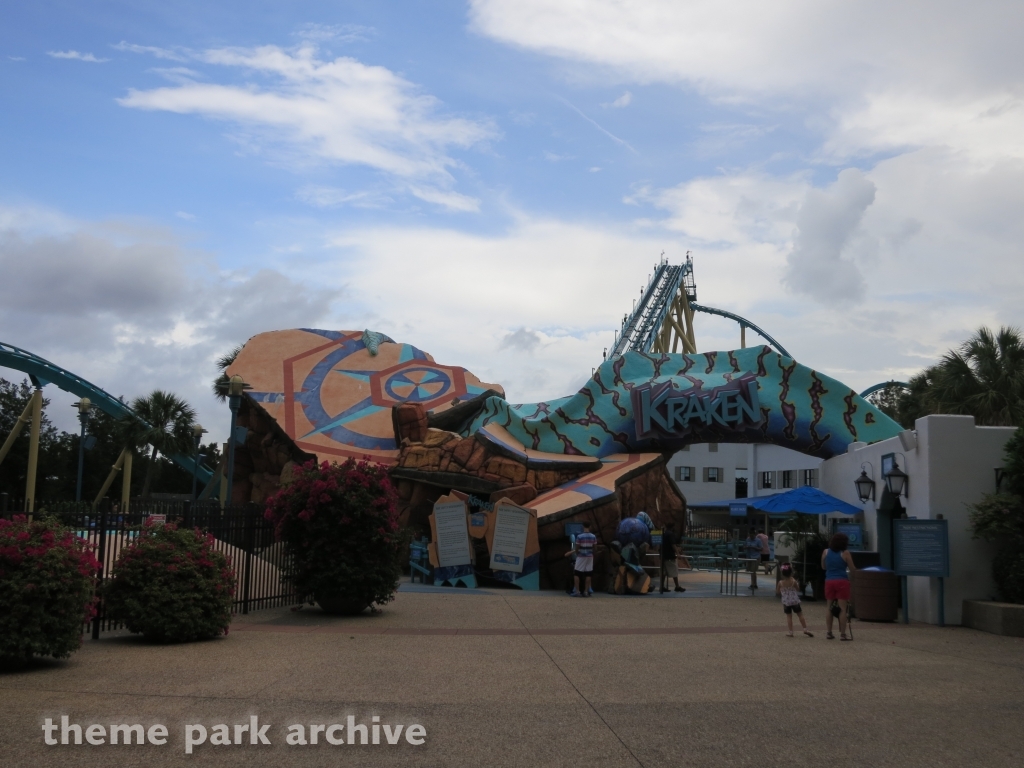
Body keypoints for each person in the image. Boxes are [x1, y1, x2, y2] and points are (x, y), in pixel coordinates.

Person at [821, 532, 858, 640]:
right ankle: (842, 634)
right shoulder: (845, 553)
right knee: (843, 609)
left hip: (829, 581)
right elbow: (852, 569)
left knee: (829, 607)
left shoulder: (826, 552)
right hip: (842, 581)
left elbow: (823, 567)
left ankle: (829, 632)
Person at [776, 563, 813, 637]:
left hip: (786, 602)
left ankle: (790, 632)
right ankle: (805, 628)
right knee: (800, 614)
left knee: (789, 617)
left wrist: (783, 591)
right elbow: (798, 589)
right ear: (791, 573)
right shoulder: (793, 581)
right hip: (795, 601)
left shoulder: (780, 583)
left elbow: (777, 591)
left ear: (782, 573)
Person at [571, 521, 597, 597]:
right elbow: (595, 548)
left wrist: (576, 552)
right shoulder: (593, 536)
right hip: (590, 557)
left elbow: (577, 547)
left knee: (576, 573)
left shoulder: (579, 536)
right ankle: (586, 591)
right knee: (588, 574)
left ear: (583, 526)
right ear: (590, 526)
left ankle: (577, 591)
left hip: (581, 556)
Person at [659, 522, 686, 593]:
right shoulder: (671, 534)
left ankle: (661, 586)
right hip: (669, 556)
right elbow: (673, 544)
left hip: (663, 555)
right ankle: (677, 586)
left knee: (664, 572)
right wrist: (678, 553)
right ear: (673, 527)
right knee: (674, 571)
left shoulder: (664, 533)